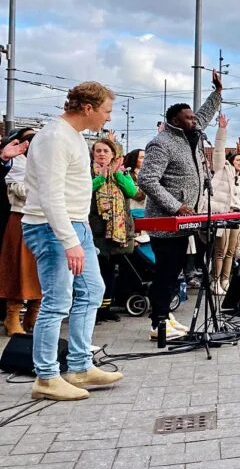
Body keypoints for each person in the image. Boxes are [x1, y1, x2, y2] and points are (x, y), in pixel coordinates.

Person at [22, 81, 124, 401]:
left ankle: (79, 366)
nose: (109, 118)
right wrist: (70, 241)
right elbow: (51, 197)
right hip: (51, 228)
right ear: (88, 108)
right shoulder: (54, 137)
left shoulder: (76, 137)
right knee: (56, 302)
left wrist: (79, 234)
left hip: (74, 226)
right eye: (107, 111)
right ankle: (46, 377)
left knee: (92, 290)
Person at [138, 69, 222, 341]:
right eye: (188, 117)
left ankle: (166, 316)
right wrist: (176, 206)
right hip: (166, 222)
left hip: (186, 223)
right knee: (166, 271)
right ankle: (157, 323)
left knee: (176, 272)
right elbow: (147, 180)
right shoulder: (161, 143)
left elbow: (205, 114)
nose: (194, 120)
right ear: (175, 120)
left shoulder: (193, 136)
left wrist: (217, 93)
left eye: (194, 116)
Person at [89, 137, 138, 320]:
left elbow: (132, 192)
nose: (101, 154)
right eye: (98, 151)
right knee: (96, 271)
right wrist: (100, 178)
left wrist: (117, 175)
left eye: (105, 151)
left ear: (113, 155)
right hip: (96, 228)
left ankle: (106, 309)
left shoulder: (122, 173)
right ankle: (95, 309)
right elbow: (85, 190)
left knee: (110, 270)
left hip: (117, 229)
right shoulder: (88, 172)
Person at [0, 128, 41, 335]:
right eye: (28, 140)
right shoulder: (15, 163)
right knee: (19, 269)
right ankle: (12, 317)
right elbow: (17, 189)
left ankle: (34, 315)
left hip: (45, 218)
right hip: (21, 217)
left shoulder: (47, 161)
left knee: (41, 269)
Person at [209, 115, 240, 295]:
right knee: (220, 250)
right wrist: (222, 130)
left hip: (237, 217)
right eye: (237, 159)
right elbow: (218, 153)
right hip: (222, 215)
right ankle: (215, 280)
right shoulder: (223, 170)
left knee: (231, 251)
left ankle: (226, 279)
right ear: (232, 161)